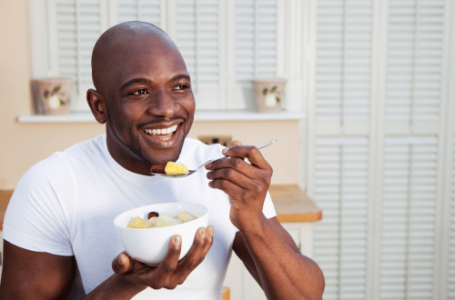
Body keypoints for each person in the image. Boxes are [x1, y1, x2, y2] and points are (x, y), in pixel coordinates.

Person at [0, 22, 324, 300]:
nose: (167, 109)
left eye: (179, 86)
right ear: (99, 106)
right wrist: (124, 284)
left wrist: (253, 220)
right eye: (140, 92)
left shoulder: (222, 172)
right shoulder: (51, 184)